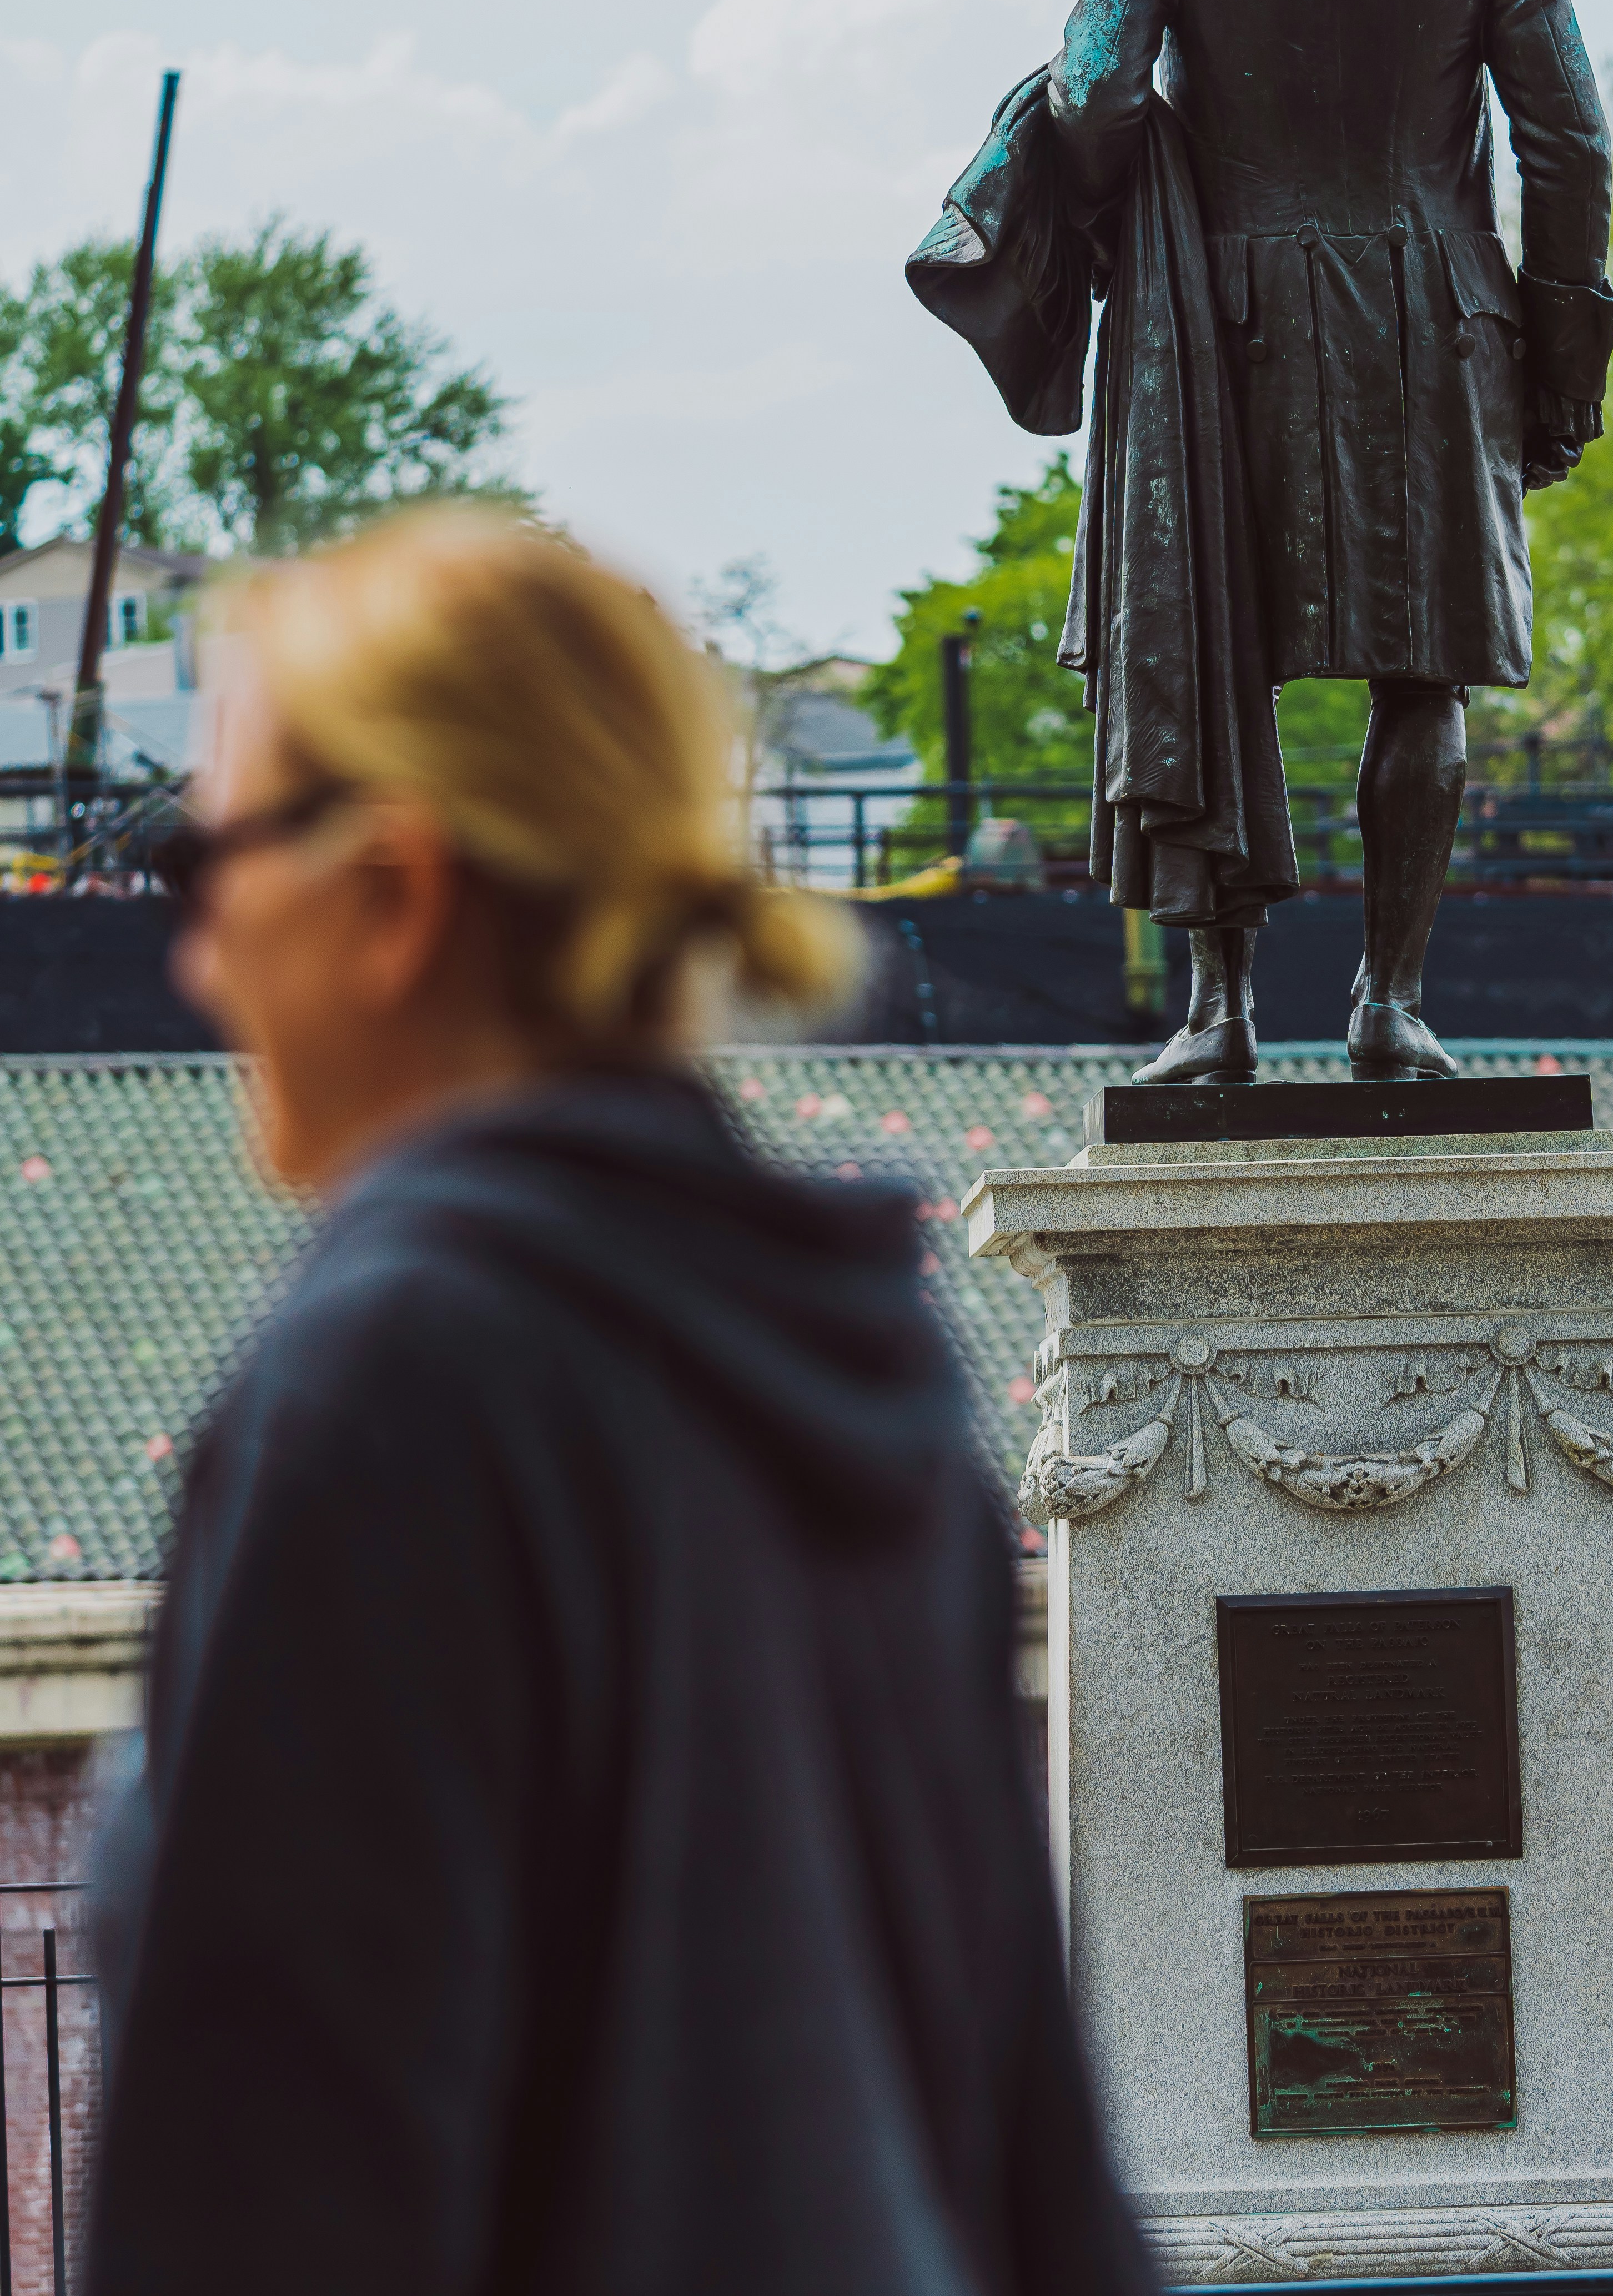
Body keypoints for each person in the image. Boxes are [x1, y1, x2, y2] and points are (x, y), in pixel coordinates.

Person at [86, 508, 1152, 2296]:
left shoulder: (400, 1375)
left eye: (207, 865)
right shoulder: (846, 1361)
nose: (194, 957)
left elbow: (270, 2191)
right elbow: (1034, 2155)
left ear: (393, 890)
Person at [910, 0, 1613, 1084]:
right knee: (1420, 682)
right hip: (1439, 320)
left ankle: (1219, 1014)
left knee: (1205, 657)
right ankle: (1392, 1002)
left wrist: (1139, 193)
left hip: (1222, 324)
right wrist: (1563, 367)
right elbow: (1569, 147)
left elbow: (1096, 97)